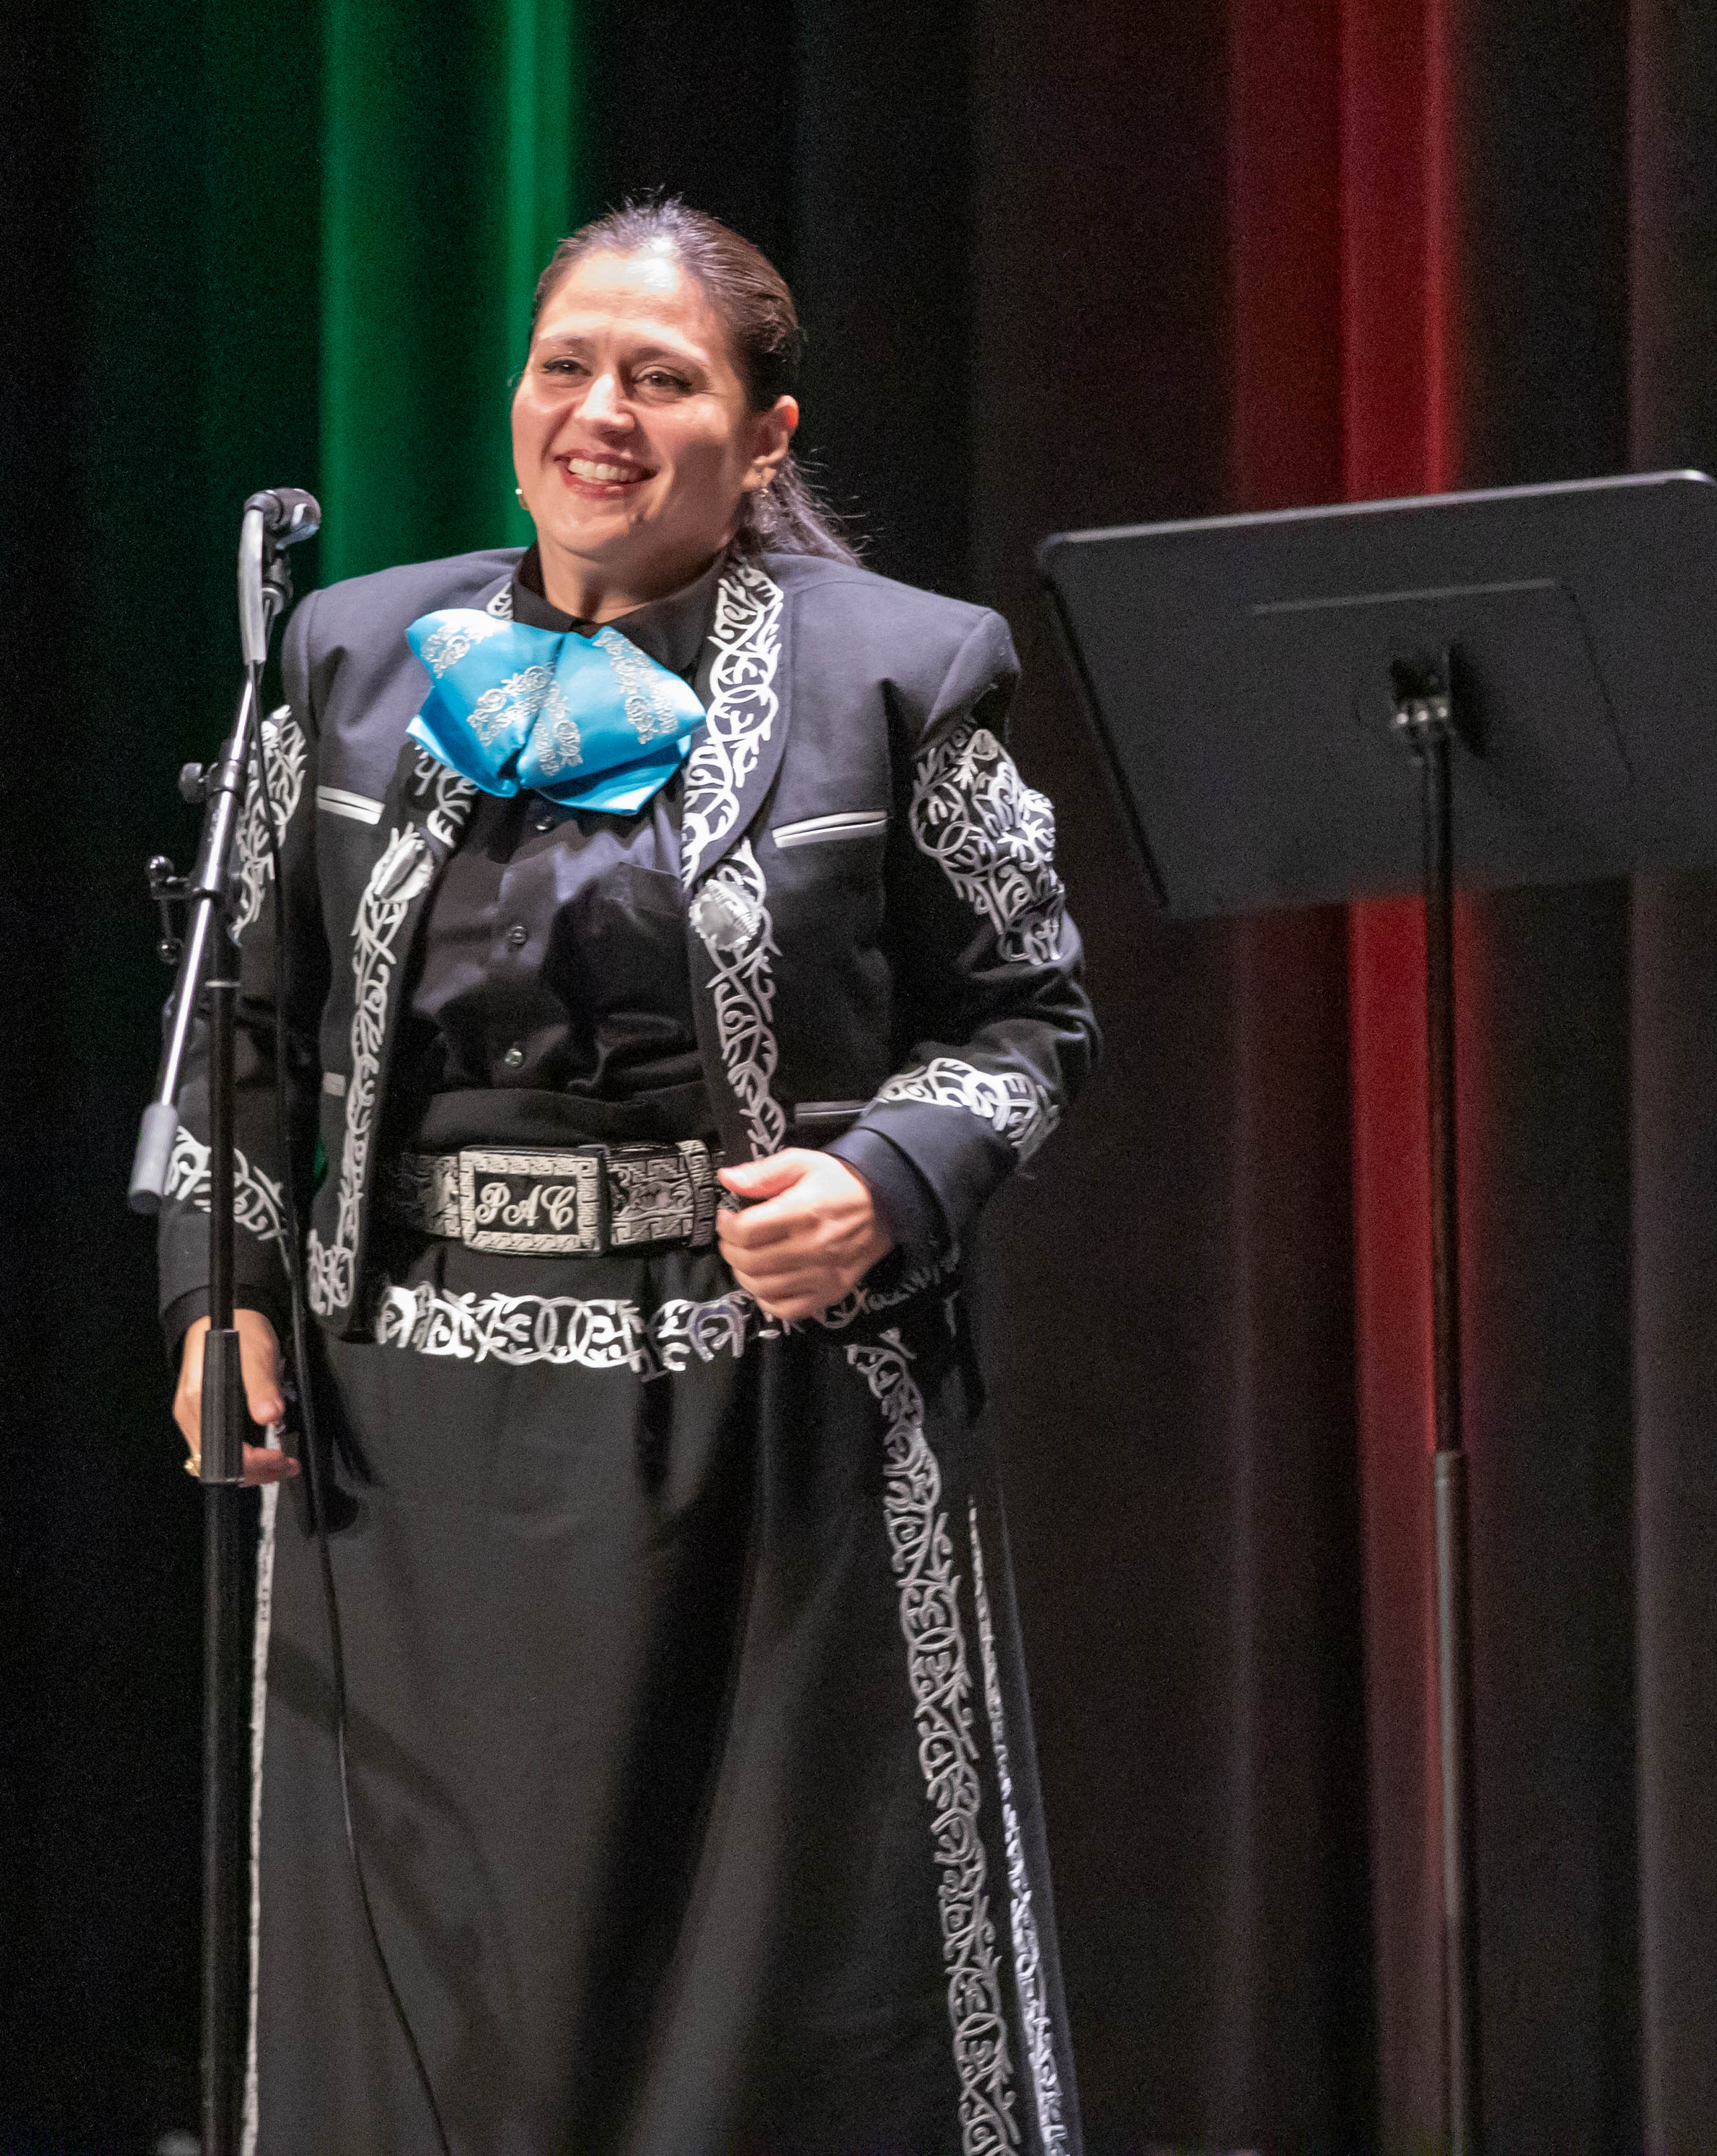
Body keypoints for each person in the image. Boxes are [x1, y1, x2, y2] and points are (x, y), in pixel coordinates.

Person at [156, 199, 1094, 2153]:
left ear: (762, 438)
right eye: (566, 366)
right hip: (406, 1434)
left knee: (766, 1995)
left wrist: (885, 1180)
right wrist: (215, 1286)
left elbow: (1031, 1023)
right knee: (447, 2009)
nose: (599, 412)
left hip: (763, 1425)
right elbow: (235, 1015)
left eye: (661, 380)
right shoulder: (346, 657)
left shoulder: (908, 671)